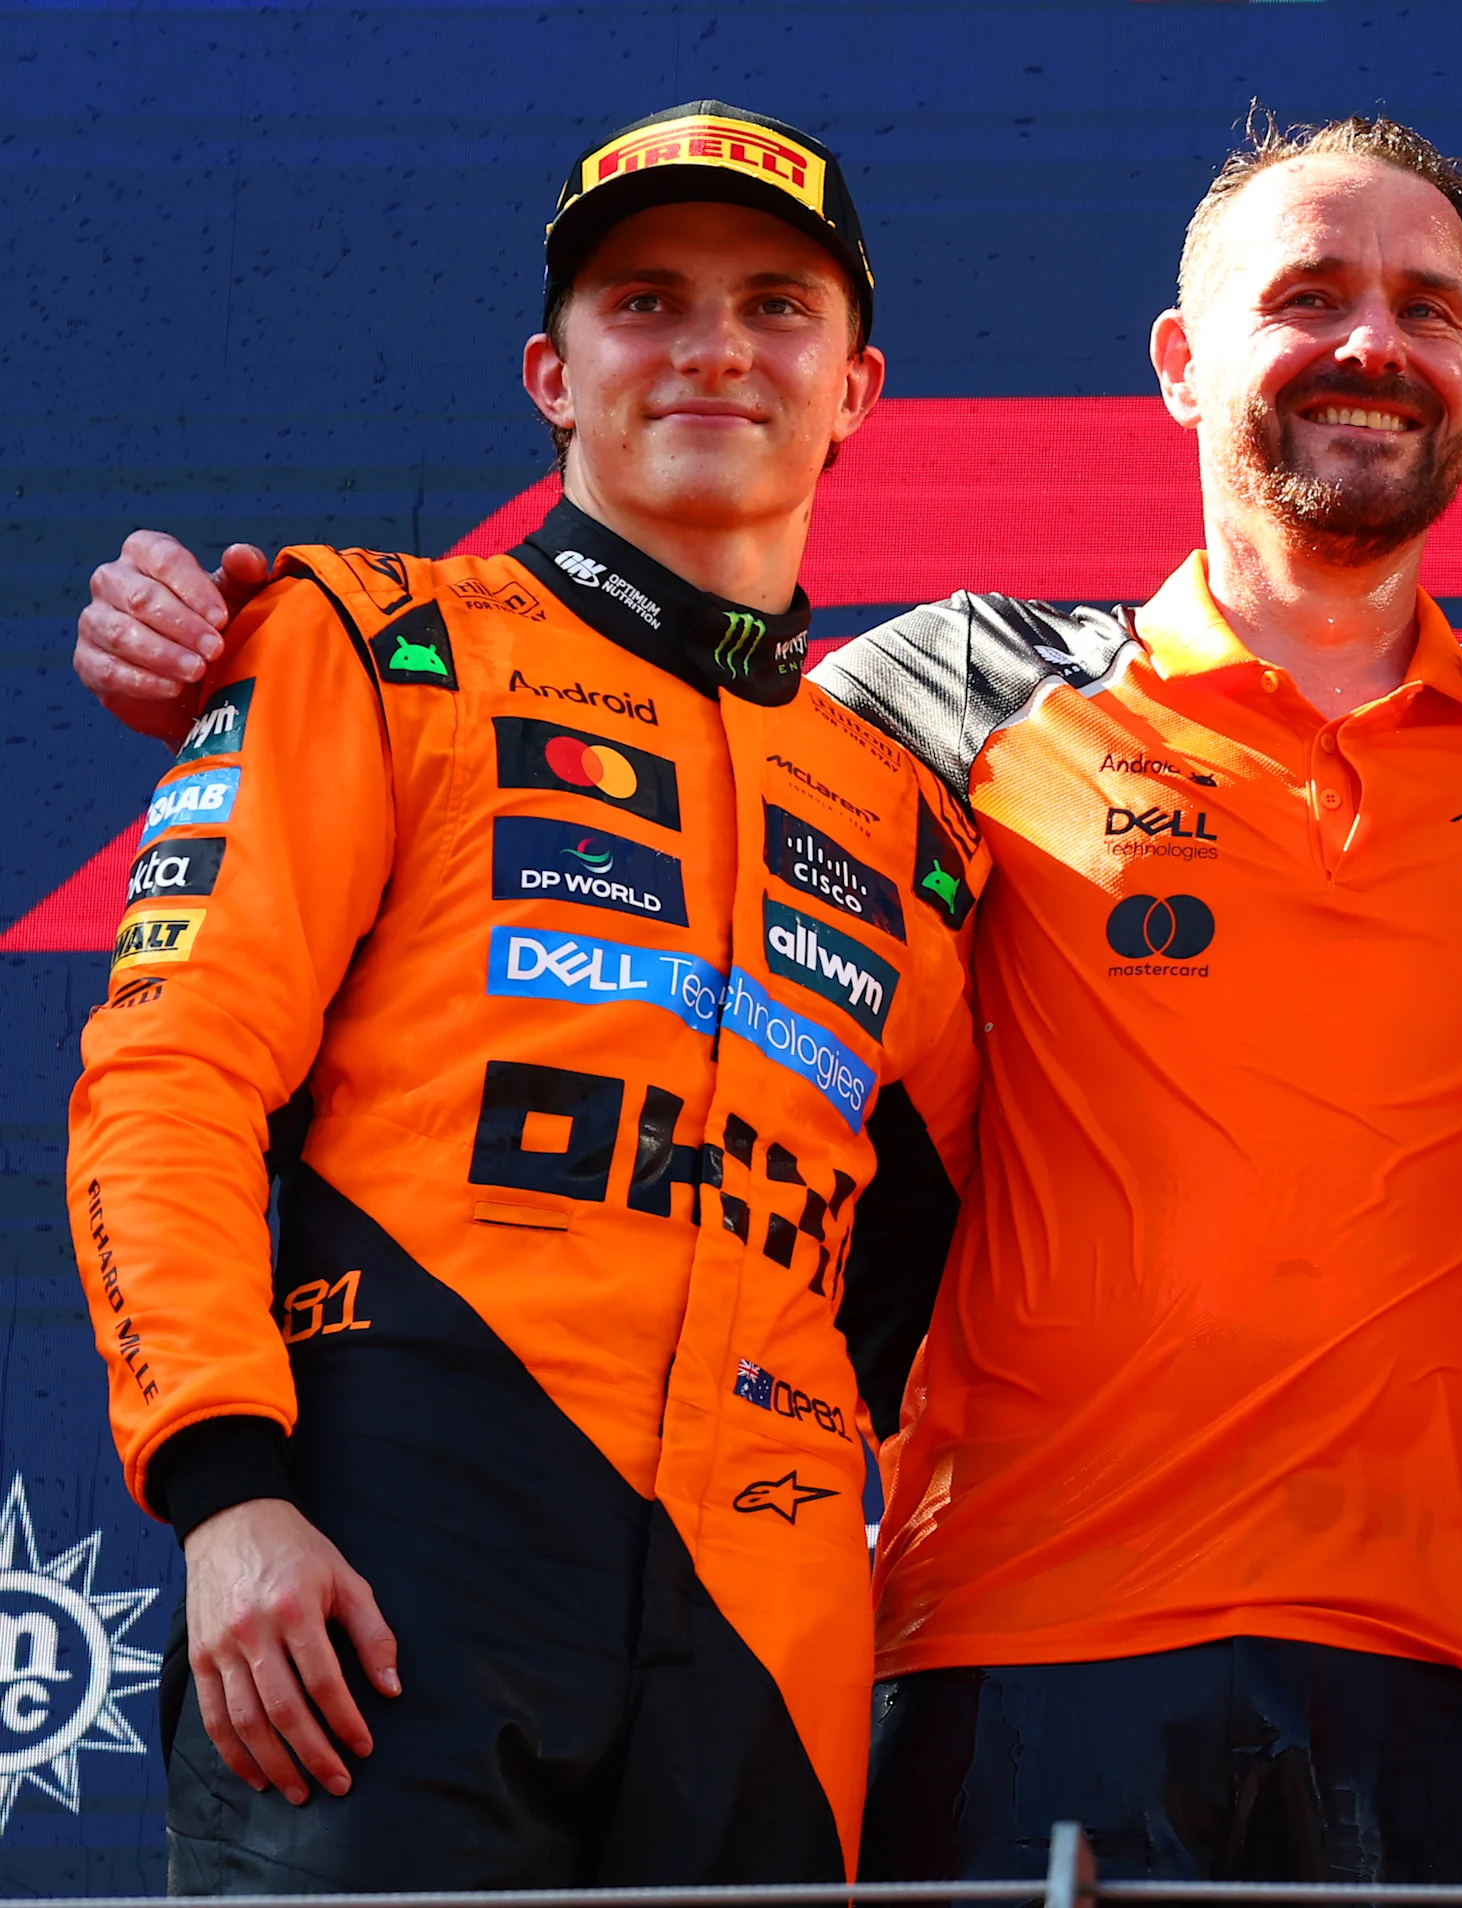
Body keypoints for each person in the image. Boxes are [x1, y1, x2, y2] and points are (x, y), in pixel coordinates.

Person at [74, 119, 1462, 1886]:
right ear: (1181, 364)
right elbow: (636, 856)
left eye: (1425, 307)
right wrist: (231, 653)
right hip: (1014, 1660)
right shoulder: (927, 711)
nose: (1369, 343)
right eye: (1307, 298)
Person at [62, 102, 987, 1889]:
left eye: (775, 307)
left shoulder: (912, 819)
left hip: (771, 1621)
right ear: (552, 377)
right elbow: (170, 1075)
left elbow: (970, 1247)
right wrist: (227, 1493)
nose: (713, 348)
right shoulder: (370, 645)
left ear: (856, 389)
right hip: (386, 1562)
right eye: (646, 302)